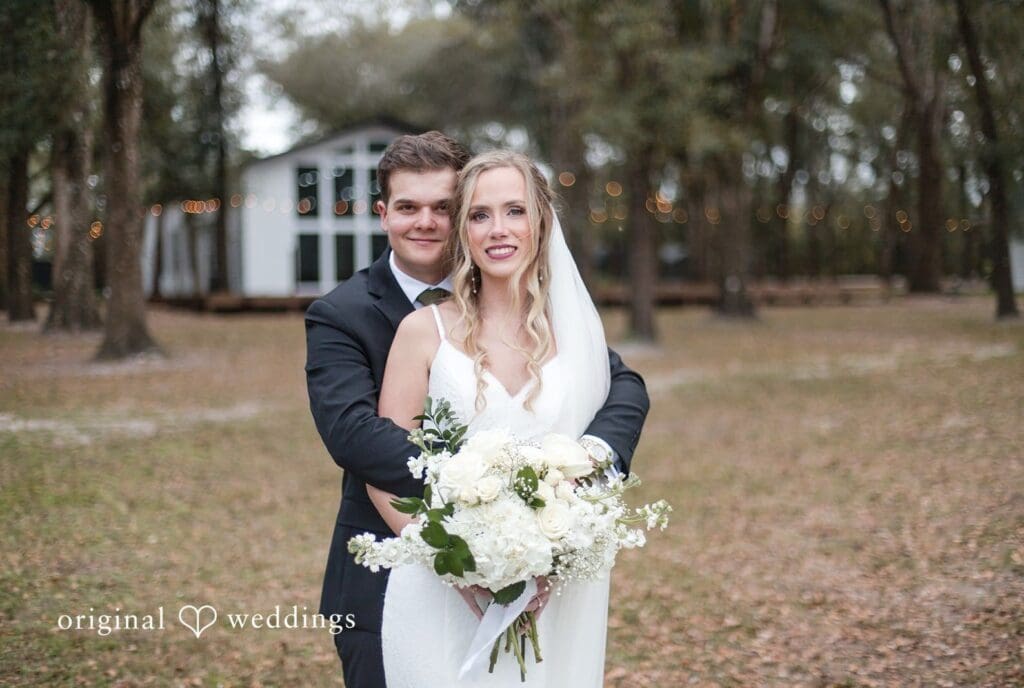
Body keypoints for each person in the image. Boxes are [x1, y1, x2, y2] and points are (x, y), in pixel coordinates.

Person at [305, 136, 648, 688]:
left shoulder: (560, 324)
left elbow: (623, 386)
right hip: (401, 572)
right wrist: (462, 551)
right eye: (409, 207)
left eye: (443, 207)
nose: (427, 223)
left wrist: (566, 502)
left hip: (544, 580)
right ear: (383, 213)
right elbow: (356, 436)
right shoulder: (350, 316)